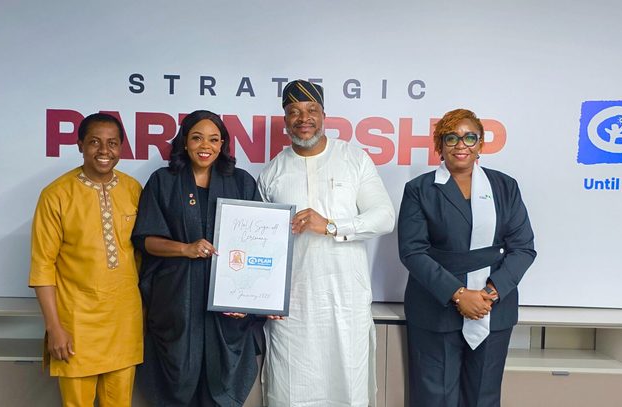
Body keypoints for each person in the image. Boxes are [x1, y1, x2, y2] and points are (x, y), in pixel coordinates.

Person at [257, 80, 396, 406]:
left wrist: (332, 226)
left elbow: (384, 217)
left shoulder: (353, 158)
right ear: (285, 120)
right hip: (293, 311)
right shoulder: (272, 172)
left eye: (311, 110)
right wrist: (265, 298)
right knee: (290, 394)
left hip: (346, 303)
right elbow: (262, 245)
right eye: (294, 112)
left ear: (324, 115)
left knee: (347, 391)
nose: (303, 118)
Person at [397, 108, 536, 407]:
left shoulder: (505, 187)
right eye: (451, 138)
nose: (461, 145)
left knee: (483, 398)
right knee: (434, 399)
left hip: (492, 308)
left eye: (469, 137)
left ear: (481, 144)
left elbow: (523, 247)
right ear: (440, 145)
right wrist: (459, 294)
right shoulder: (419, 190)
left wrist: (490, 293)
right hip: (435, 307)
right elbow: (412, 251)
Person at [132, 110, 263, 407]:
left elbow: (258, 247)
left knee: (220, 383)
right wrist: (185, 249)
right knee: (178, 379)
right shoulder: (163, 181)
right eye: (197, 138)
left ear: (222, 144)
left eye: (214, 139)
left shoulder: (241, 182)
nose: (206, 146)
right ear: (184, 142)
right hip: (178, 301)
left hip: (225, 307)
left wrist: (247, 300)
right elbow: (146, 240)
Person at [29, 113, 143, 407]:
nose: (104, 151)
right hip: (76, 324)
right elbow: (43, 266)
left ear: (121, 147)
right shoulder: (56, 195)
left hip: (123, 321)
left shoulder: (133, 190)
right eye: (94, 142)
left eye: (112, 143)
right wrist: (54, 328)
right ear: (80, 145)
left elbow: (142, 255)